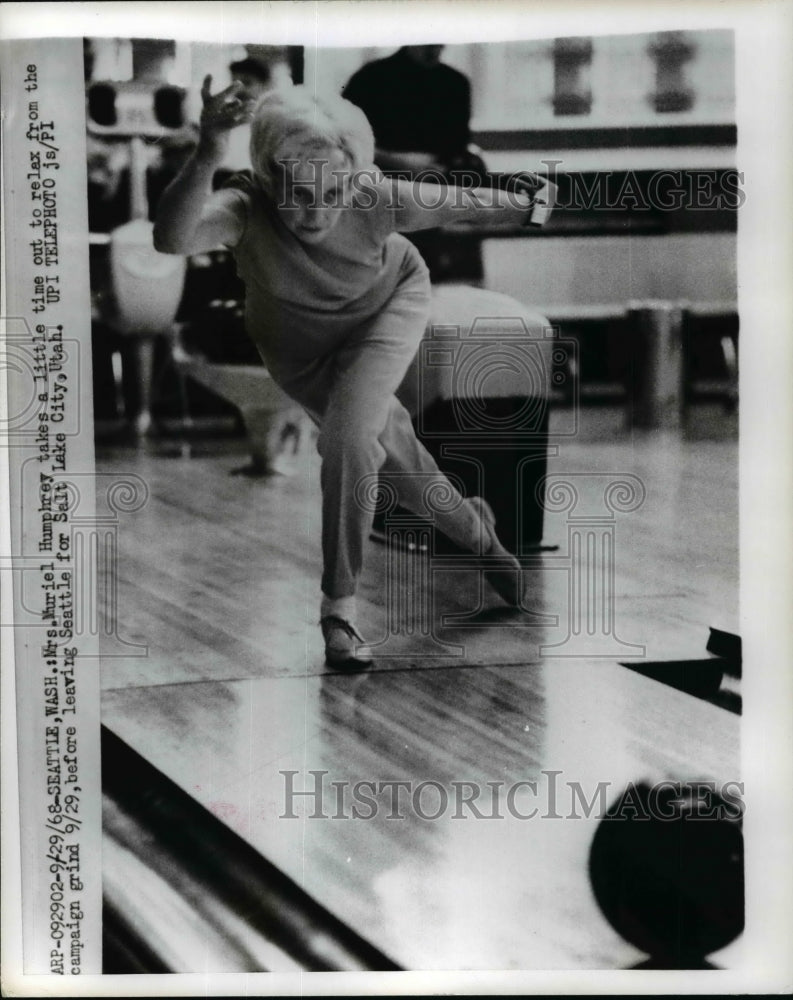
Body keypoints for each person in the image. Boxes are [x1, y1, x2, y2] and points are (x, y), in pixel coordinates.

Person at [153, 78, 541, 669]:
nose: (318, 212)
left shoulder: (374, 195)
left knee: (347, 436)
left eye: (334, 192)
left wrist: (531, 203)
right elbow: (170, 237)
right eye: (300, 195)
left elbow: (463, 202)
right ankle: (480, 534)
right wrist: (207, 151)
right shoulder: (244, 206)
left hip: (387, 309)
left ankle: (339, 609)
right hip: (300, 351)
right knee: (400, 463)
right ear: (267, 176)